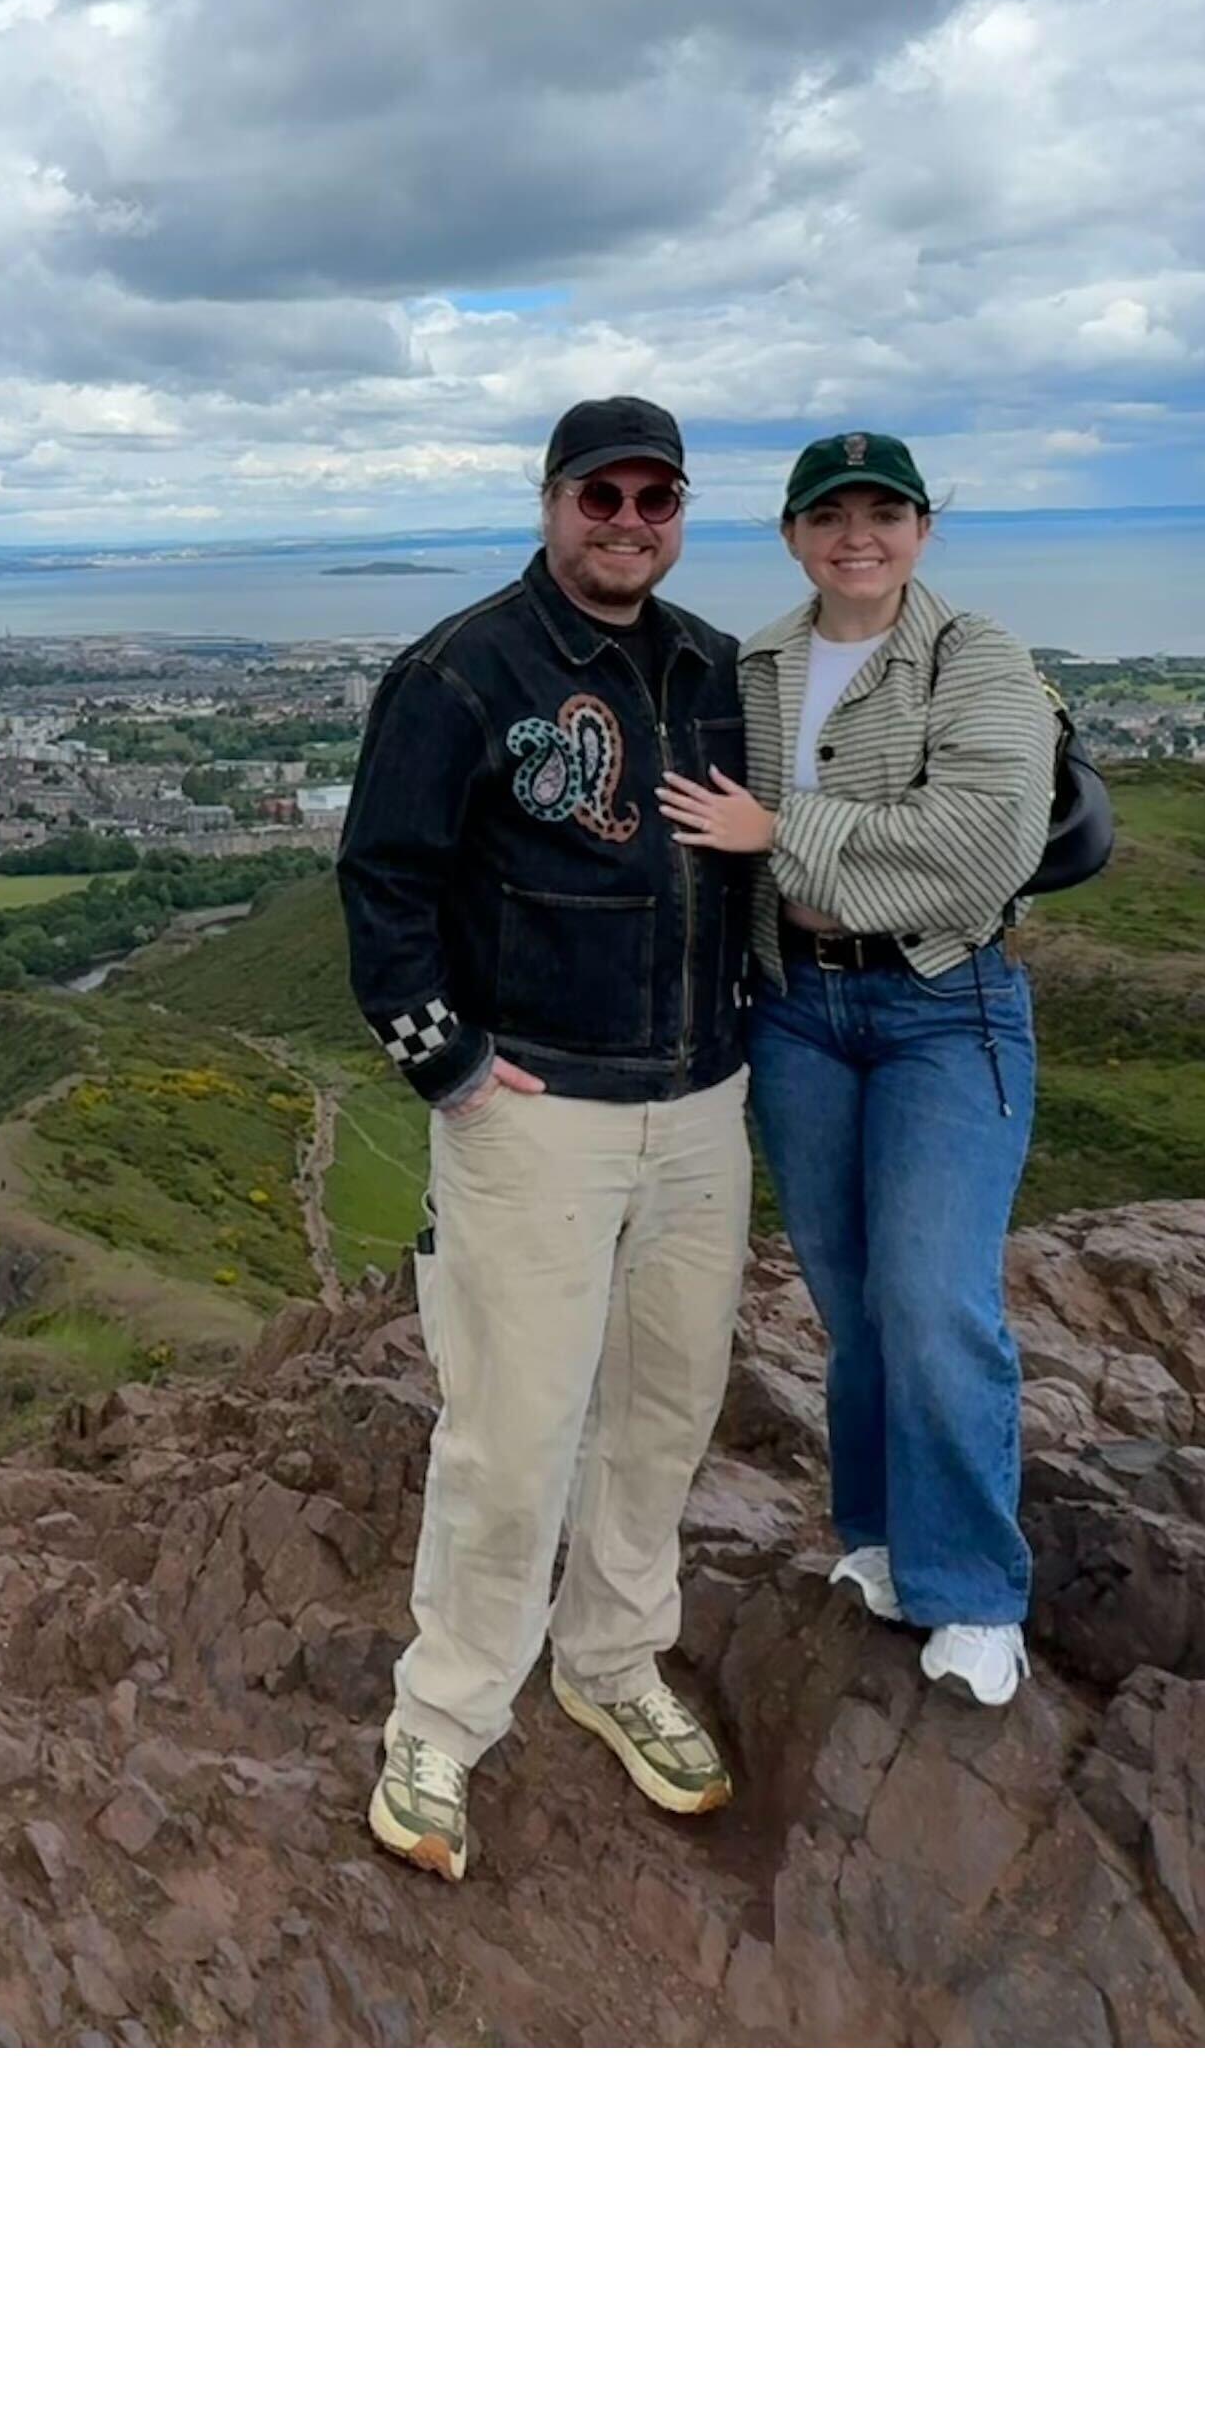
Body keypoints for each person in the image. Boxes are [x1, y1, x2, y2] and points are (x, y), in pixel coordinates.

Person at [335, 395, 762, 1882]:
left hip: (704, 1100)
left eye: (657, 500)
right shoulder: (462, 670)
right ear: (550, 501)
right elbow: (382, 884)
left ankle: (611, 1659)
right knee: (514, 1435)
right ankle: (443, 1719)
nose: (628, 524)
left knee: (664, 1407)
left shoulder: (716, 669)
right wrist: (446, 1067)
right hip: (538, 1114)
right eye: (602, 498)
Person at [658, 430, 1058, 1708]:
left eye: (885, 512)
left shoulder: (975, 657)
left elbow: (982, 847)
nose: (858, 535)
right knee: (856, 1304)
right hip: (799, 1013)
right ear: (791, 535)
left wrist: (783, 831)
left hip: (948, 1005)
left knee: (936, 1298)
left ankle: (978, 1590)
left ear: (924, 530)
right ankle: (881, 1540)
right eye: (831, 514)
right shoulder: (759, 665)